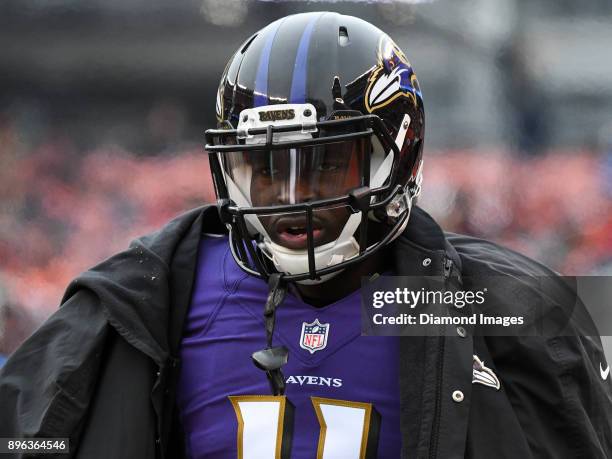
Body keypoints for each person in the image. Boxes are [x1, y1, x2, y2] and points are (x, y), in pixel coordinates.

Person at [0, 12, 610, 459]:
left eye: (321, 164)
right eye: (266, 170)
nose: (293, 198)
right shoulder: (156, 295)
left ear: (397, 156)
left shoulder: (462, 303)